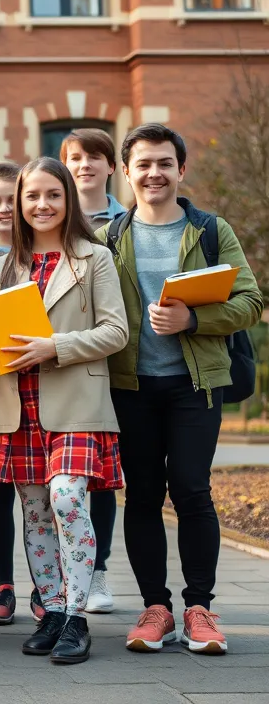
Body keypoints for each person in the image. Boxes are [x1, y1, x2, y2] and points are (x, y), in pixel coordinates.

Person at [99, 123, 262, 656]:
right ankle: (156, 609)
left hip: (196, 384)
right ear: (126, 172)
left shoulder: (212, 230)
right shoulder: (109, 238)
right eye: (143, 164)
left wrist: (193, 319)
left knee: (192, 489)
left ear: (181, 170)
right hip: (131, 385)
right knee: (142, 494)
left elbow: (250, 302)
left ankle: (199, 609)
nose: (154, 173)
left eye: (164, 163)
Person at [0, 157, 128, 665]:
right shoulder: (5, 264)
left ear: (68, 200)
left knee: (67, 498)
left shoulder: (95, 258)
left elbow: (116, 331)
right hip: (16, 404)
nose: (41, 205)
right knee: (36, 509)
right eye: (31, 196)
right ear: (19, 205)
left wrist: (55, 346)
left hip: (75, 401)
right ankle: (55, 611)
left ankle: (79, 615)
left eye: (52, 195)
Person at [60, 129, 128, 615]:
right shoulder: (46, 222)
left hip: (117, 366)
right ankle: (59, 587)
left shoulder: (126, 225)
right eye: (75, 158)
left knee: (101, 480)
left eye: (94, 157)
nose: (85, 165)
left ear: (112, 166)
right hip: (63, 373)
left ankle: (95, 570)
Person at [0, 159, 45, 627]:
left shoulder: (39, 255)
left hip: (39, 384)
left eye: (10, 199)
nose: (4, 209)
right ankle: (4, 586)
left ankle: (47, 584)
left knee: (40, 493)